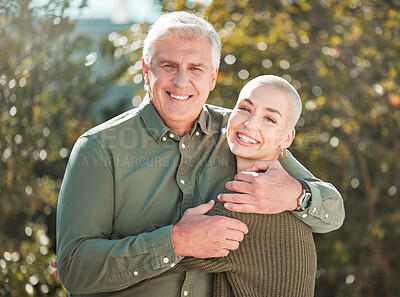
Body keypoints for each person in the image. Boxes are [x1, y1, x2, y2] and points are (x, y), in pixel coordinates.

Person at [56, 11, 344, 297]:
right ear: (147, 71)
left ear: (213, 77)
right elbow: (75, 270)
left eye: (196, 68)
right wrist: (176, 241)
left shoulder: (242, 135)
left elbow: (332, 212)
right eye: (168, 65)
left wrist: (296, 195)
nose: (181, 81)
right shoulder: (99, 148)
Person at [164, 75, 317, 297]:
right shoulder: (278, 194)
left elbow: (156, 264)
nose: (250, 123)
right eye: (245, 108)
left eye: (270, 119)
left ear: (286, 138)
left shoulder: (242, 205)